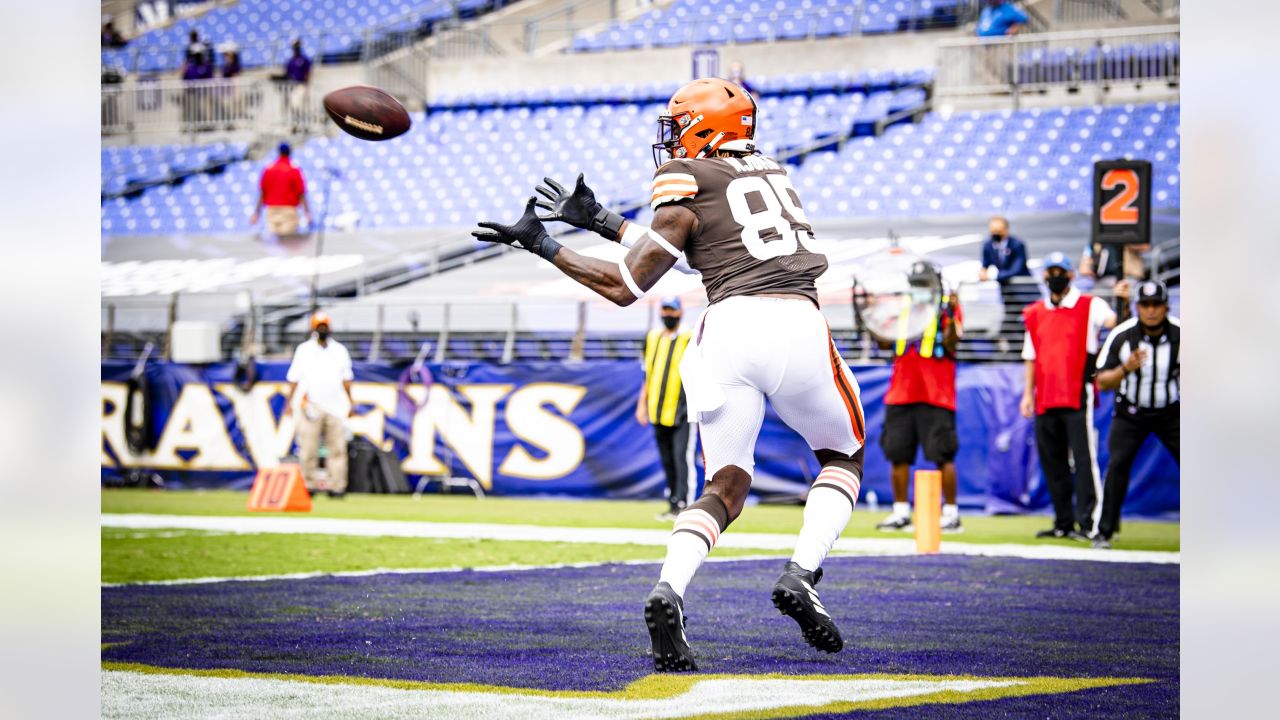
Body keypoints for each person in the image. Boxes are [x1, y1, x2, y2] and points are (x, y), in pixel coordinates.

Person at [473, 77, 867, 671]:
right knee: (842, 457)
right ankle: (802, 572)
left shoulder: (686, 176)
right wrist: (602, 219)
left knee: (724, 485)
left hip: (728, 331)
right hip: (797, 320)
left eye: (680, 124)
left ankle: (670, 591)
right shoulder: (775, 174)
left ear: (704, 126)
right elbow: (699, 246)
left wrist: (544, 244)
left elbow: (628, 284)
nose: (674, 136)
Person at [1020, 252, 1118, 540]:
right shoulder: (1036, 312)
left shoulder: (1089, 305)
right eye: (1049, 271)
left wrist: (1121, 298)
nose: (1054, 277)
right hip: (1045, 396)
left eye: (1059, 271)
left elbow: (1113, 322)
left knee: (1084, 460)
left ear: (1071, 275)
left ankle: (1090, 523)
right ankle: (1063, 521)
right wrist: (1028, 393)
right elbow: (1031, 355)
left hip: (1077, 393)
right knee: (1052, 462)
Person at [1092, 280, 1179, 549]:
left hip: (1170, 411)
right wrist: (1126, 368)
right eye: (1145, 305)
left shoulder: (1182, 334)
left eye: (1156, 305)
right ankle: (1104, 531)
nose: (1151, 311)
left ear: (1166, 306)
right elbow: (1102, 381)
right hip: (1131, 411)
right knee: (1117, 466)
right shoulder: (1123, 335)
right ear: (1136, 307)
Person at [876, 270, 964, 534]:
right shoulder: (902, 310)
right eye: (916, 284)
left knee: (943, 455)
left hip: (936, 394)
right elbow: (883, 343)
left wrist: (948, 312)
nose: (919, 289)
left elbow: (953, 341)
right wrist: (873, 319)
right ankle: (901, 512)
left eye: (924, 284)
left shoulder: (947, 308)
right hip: (901, 393)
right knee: (897, 455)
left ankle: (951, 514)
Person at [284, 312, 354, 497]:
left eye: (324, 325)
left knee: (337, 448)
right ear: (313, 328)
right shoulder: (304, 350)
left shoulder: (339, 350)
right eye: (319, 325)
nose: (322, 329)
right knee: (308, 448)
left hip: (336, 406)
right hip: (311, 405)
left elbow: (347, 379)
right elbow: (293, 378)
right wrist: (290, 402)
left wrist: (350, 402)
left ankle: (337, 486)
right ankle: (308, 485)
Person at [638, 297, 695, 521]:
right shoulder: (652, 338)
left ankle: (685, 504)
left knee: (682, 457)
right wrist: (642, 404)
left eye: (672, 311)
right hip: (658, 409)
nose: (668, 315)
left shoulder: (690, 338)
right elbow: (647, 374)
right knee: (667, 459)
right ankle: (672, 503)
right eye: (665, 310)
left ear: (680, 312)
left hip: (683, 409)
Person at [251, 143, 311, 236]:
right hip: (288, 211)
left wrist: (256, 213)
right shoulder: (294, 169)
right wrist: (307, 213)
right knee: (288, 244)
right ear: (290, 153)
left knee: (274, 246)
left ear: (278, 153)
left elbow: (262, 193)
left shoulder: (268, 169)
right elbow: (301, 194)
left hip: (271, 211)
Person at [978, 216, 1030, 285]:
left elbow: (1016, 269)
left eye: (999, 231)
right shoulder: (988, 245)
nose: (996, 234)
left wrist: (994, 276)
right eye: (993, 231)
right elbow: (985, 263)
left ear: (1006, 230)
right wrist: (983, 272)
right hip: (1004, 288)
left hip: (1022, 287)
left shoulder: (1017, 244)